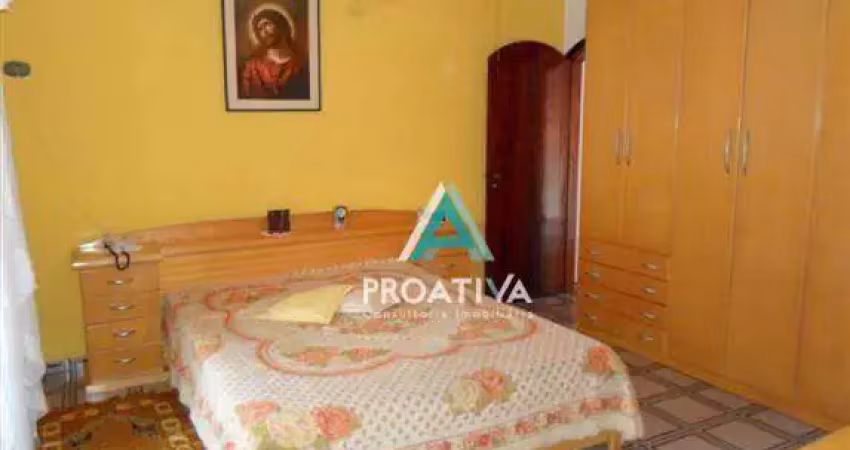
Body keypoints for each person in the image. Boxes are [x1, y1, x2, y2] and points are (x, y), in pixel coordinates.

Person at [240, 8, 310, 99]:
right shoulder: (252, 67)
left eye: (267, 24)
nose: (264, 31)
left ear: (280, 25)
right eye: (260, 29)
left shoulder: (301, 63)